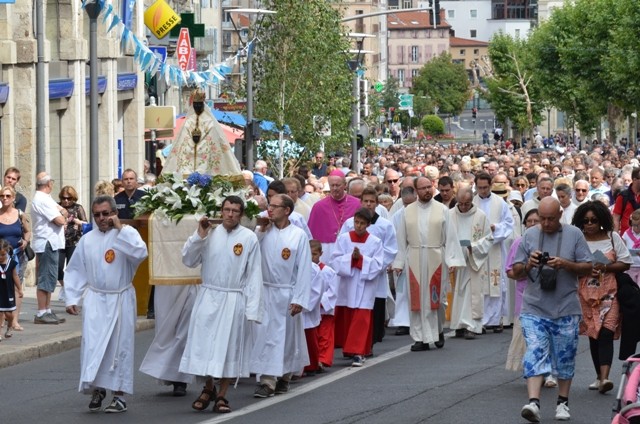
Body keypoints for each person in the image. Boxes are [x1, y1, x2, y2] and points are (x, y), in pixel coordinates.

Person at [178, 196, 263, 413]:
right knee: (203, 345)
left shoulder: (249, 238)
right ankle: (208, 388)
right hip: (208, 295)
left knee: (228, 347)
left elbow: (254, 274)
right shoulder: (209, 234)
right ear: (221, 211)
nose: (231, 214)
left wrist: (253, 308)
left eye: (235, 210)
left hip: (233, 298)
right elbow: (188, 260)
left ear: (241, 214)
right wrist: (199, 234)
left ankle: (222, 394)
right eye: (227, 210)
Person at [64, 195, 148, 413]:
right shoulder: (87, 239)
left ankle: (119, 395)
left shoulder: (127, 234)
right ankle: (97, 387)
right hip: (95, 299)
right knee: (93, 346)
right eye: (97, 215)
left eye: (106, 213)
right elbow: (76, 269)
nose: (102, 218)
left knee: (119, 347)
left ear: (114, 213)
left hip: (120, 299)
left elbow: (140, 253)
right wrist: (72, 297)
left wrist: (120, 228)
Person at [512, 197, 592, 423]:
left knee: (565, 357)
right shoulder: (528, 236)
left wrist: (565, 264)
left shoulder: (574, 234)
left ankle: (562, 402)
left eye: (551, 219)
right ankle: (533, 402)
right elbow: (516, 272)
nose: (545, 223)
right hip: (534, 306)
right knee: (534, 351)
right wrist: (529, 264)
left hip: (565, 307)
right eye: (542, 219)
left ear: (560, 215)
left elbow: (587, 267)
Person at [392, 176, 465, 352]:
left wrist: (452, 259)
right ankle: (420, 338)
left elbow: (451, 237)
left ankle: (437, 329)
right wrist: (399, 262)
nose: (427, 191)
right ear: (416, 191)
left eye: (429, 187)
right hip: (414, 257)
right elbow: (401, 239)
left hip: (436, 257)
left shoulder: (442, 210)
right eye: (422, 188)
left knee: (436, 299)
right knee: (416, 300)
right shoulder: (407, 211)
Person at [250, 194, 312, 397]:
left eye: (275, 206)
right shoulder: (263, 231)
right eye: (270, 205)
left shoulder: (298, 235)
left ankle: (284, 376)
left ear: (287, 210)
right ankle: (267, 380)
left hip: (287, 293)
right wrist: (260, 230)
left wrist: (299, 299)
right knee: (265, 336)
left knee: (285, 338)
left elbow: (303, 269)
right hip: (265, 291)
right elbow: (251, 253)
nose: (270, 209)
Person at [572, 201, 631, 394]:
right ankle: (598, 376)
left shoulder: (612, 237)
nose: (589, 224)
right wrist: (584, 268)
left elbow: (625, 263)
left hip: (610, 293)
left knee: (606, 332)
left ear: (601, 220)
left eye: (594, 220)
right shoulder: (577, 239)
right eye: (585, 220)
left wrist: (605, 267)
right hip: (586, 295)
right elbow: (570, 265)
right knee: (594, 334)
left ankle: (605, 378)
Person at [338, 187, 397, 347]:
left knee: (373, 309)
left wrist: (373, 266)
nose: (369, 204)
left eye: (372, 201)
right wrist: (352, 262)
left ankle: (370, 341)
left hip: (374, 275)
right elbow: (340, 246)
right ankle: (353, 344)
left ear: (377, 204)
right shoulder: (350, 223)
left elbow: (390, 249)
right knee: (353, 310)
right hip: (352, 275)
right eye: (366, 201)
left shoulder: (385, 225)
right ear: (361, 202)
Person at [331, 208, 384, 366]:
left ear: (368, 225)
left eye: (362, 223)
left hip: (365, 284)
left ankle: (358, 352)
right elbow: (335, 260)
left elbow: (378, 265)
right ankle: (352, 348)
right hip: (347, 284)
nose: (358, 226)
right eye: (356, 222)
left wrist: (360, 259)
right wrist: (350, 259)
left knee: (361, 318)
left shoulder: (375, 241)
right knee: (349, 317)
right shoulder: (344, 239)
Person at [162, 89, 241, 176]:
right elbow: (182, 141)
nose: (197, 107)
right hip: (189, 160)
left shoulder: (209, 121)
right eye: (195, 104)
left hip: (206, 158)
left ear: (203, 104)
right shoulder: (188, 121)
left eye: (199, 104)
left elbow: (215, 141)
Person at [473, 173, 515, 332]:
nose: (482, 191)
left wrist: (495, 228)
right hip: (478, 250)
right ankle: (481, 320)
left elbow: (509, 224)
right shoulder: (471, 202)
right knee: (480, 284)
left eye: (485, 187)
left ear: (490, 185)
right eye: (479, 188)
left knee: (497, 283)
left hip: (495, 248)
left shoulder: (500, 203)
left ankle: (497, 320)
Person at [448, 187, 491, 339]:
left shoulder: (480, 216)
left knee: (472, 293)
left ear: (472, 201)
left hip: (473, 259)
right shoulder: (450, 214)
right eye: (461, 203)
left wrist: (473, 248)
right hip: (455, 259)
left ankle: (473, 326)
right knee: (457, 292)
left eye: (467, 203)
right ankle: (458, 325)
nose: (464, 207)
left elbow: (488, 239)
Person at [505, 209, 540, 372]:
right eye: (529, 221)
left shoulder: (551, 241)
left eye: (536, 221)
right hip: (524, 295)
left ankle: (549, 372)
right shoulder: (518, 242)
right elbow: (510, 271)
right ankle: (533, 369)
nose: (532, 224)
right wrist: (525, 269)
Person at [31, 172, 68, 324]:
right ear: (48, 184)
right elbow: (59, 219)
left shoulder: (46, 198)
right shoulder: (41, 199)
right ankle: (41, 312)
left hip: (52, 242)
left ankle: (47, 310)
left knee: (51, 277)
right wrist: (63, 217)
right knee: (45, 277)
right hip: (47, 242)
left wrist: (62, 213)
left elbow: (62, 209)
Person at [0, 186, 30, 333]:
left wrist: (25, 241)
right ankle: (3, 321)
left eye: (7, 196)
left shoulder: (19, 214)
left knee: (16, 286)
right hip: (1, 257)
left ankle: (15, 321)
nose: (4, 198)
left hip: (18, 255)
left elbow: (27, 231)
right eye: (2, 196)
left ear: (13, 198)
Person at [57, 186, 88, 302]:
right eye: (64, 198)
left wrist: (78, 223)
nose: (66, 201)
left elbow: (86, 223)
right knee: (58, 268)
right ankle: (65, 286)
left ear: (73, 198)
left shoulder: (77, 208)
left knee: (72, 268)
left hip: (73, 241)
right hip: (59, 242)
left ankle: (70, 292)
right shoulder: (57, 206)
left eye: (69, 198)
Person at [0, 238, 23, 341]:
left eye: (3, 255)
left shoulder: (11, 263)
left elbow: (15, 276)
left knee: (9, 314)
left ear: (7, 252)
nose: (0, 257)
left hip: (8, 292)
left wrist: (20, 289)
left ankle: (9, 326)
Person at [613, 167, 640, 235]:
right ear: (634, 179)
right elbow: (616, 219)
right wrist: (616, 237)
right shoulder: (623, 196)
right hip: (626, 238)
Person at [622, 209, 640, 282]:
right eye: (633, 225)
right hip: (631, 266)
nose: (635, 228)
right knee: (632, 287)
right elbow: (622, 249)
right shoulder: (626, 234)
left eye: (638, 226)